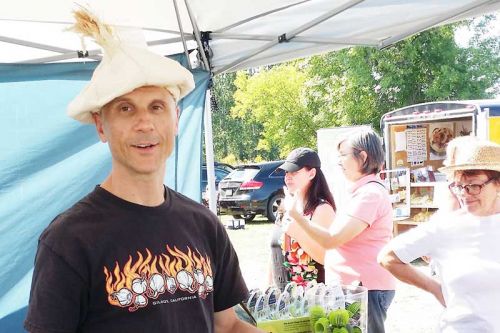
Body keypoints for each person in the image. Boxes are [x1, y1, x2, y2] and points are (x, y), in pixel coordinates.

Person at [24, 7, 263, 333]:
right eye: (125, 109)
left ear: (175, 118)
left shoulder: (204, 225)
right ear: (101, 125)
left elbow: (228, 326)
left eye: (156, 107)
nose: (144, 124)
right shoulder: (69, 240)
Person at [378, 138, 500, 332]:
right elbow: (388, 257)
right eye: (459, 186)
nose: (465, 194)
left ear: (498, 184)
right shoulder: (446, 227)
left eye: (474, 185)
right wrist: (434, 287)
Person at [281, 130, 396, 333]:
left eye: (343, 155)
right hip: (355, 287)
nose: (339, 161)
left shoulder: (370, 194)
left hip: (364, 288)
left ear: (363, 157)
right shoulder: (362, 192)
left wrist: (296, 218)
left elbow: (332, 240)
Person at [269, 148, 336, 289]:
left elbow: (326, 257)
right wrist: (269, 287)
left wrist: (299, 234)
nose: (288, 176)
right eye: (286, 172)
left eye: (294, 172)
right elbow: (274, 256)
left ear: (311, 173)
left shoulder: (322, 209)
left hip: (313, 299)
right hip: (283, 299)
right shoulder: (285, 207)